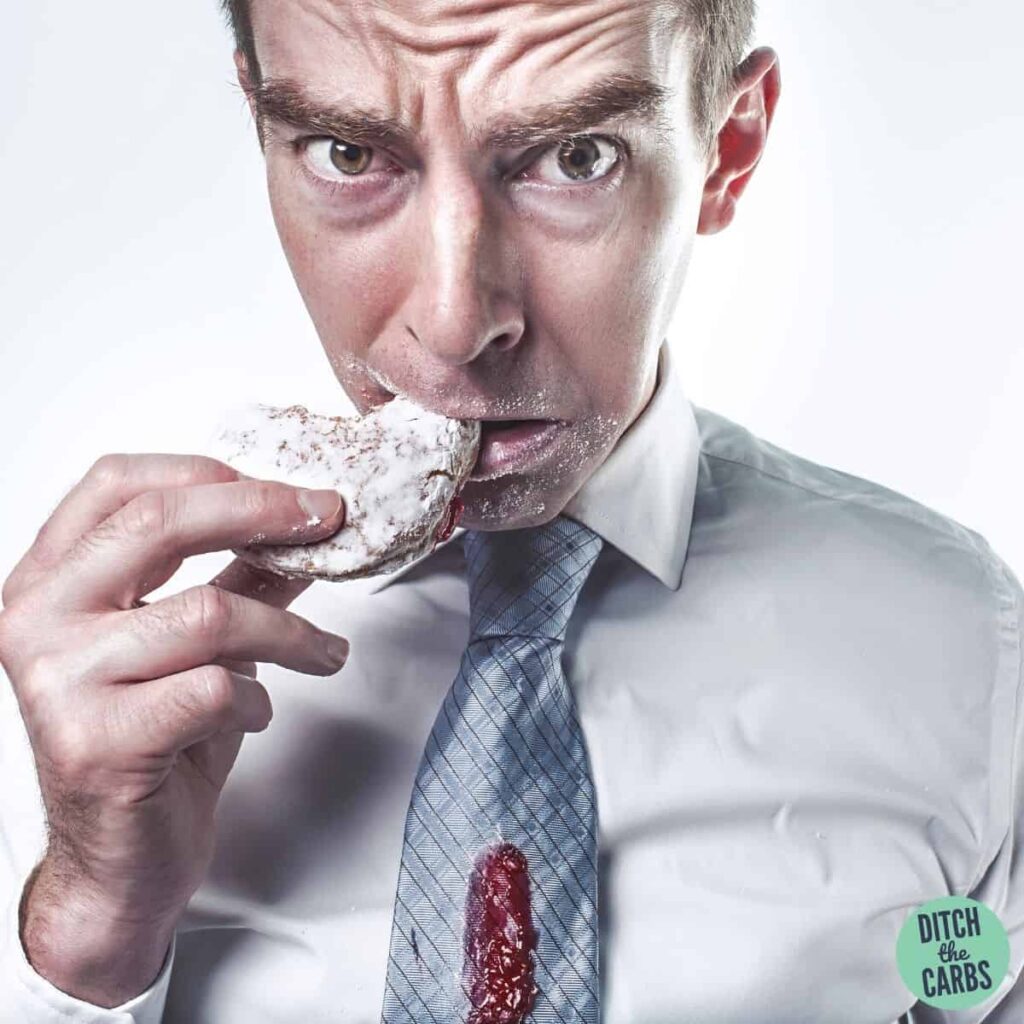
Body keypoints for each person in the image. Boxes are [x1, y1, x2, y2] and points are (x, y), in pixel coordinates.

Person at [0, 0, 1020, 1021]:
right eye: (348, 152)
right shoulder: (86, 671)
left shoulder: (963, 654)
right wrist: (85, 942)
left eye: (577, 157)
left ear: (727, 147)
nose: (451, 325)